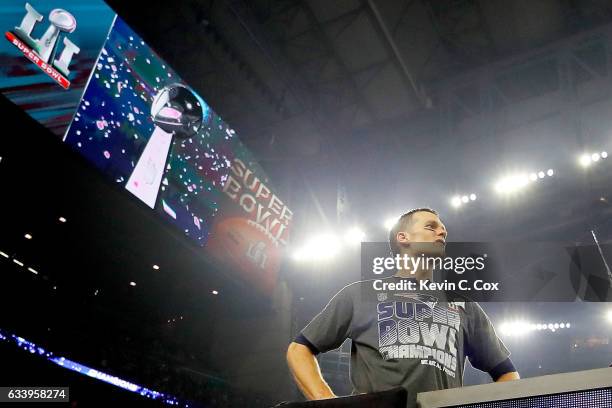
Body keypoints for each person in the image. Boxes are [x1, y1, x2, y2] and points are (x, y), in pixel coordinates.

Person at [286, 208, 519, 407]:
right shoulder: (358, 295)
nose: (442, 232)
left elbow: (507, 373)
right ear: (403, 237)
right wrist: (328, 402)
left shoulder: (464, 305)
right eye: (431, 227)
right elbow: (299, 350)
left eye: (443, 229)